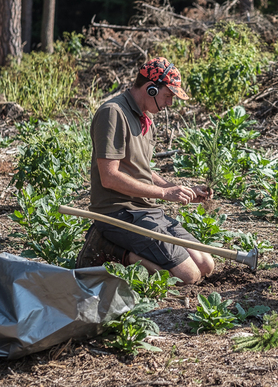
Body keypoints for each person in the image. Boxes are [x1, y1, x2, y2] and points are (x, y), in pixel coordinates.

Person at [75, 57, 215, 284]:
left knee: (206, 265)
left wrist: (179, 189)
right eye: (168, 95)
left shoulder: (144, 117)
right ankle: (111, 248)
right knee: (188, 277)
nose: (170, 103)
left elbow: (141, 170)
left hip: (147, 211)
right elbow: (109, 177)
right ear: (151, 88)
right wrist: (164, 194)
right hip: (118, 213)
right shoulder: (113, 113)